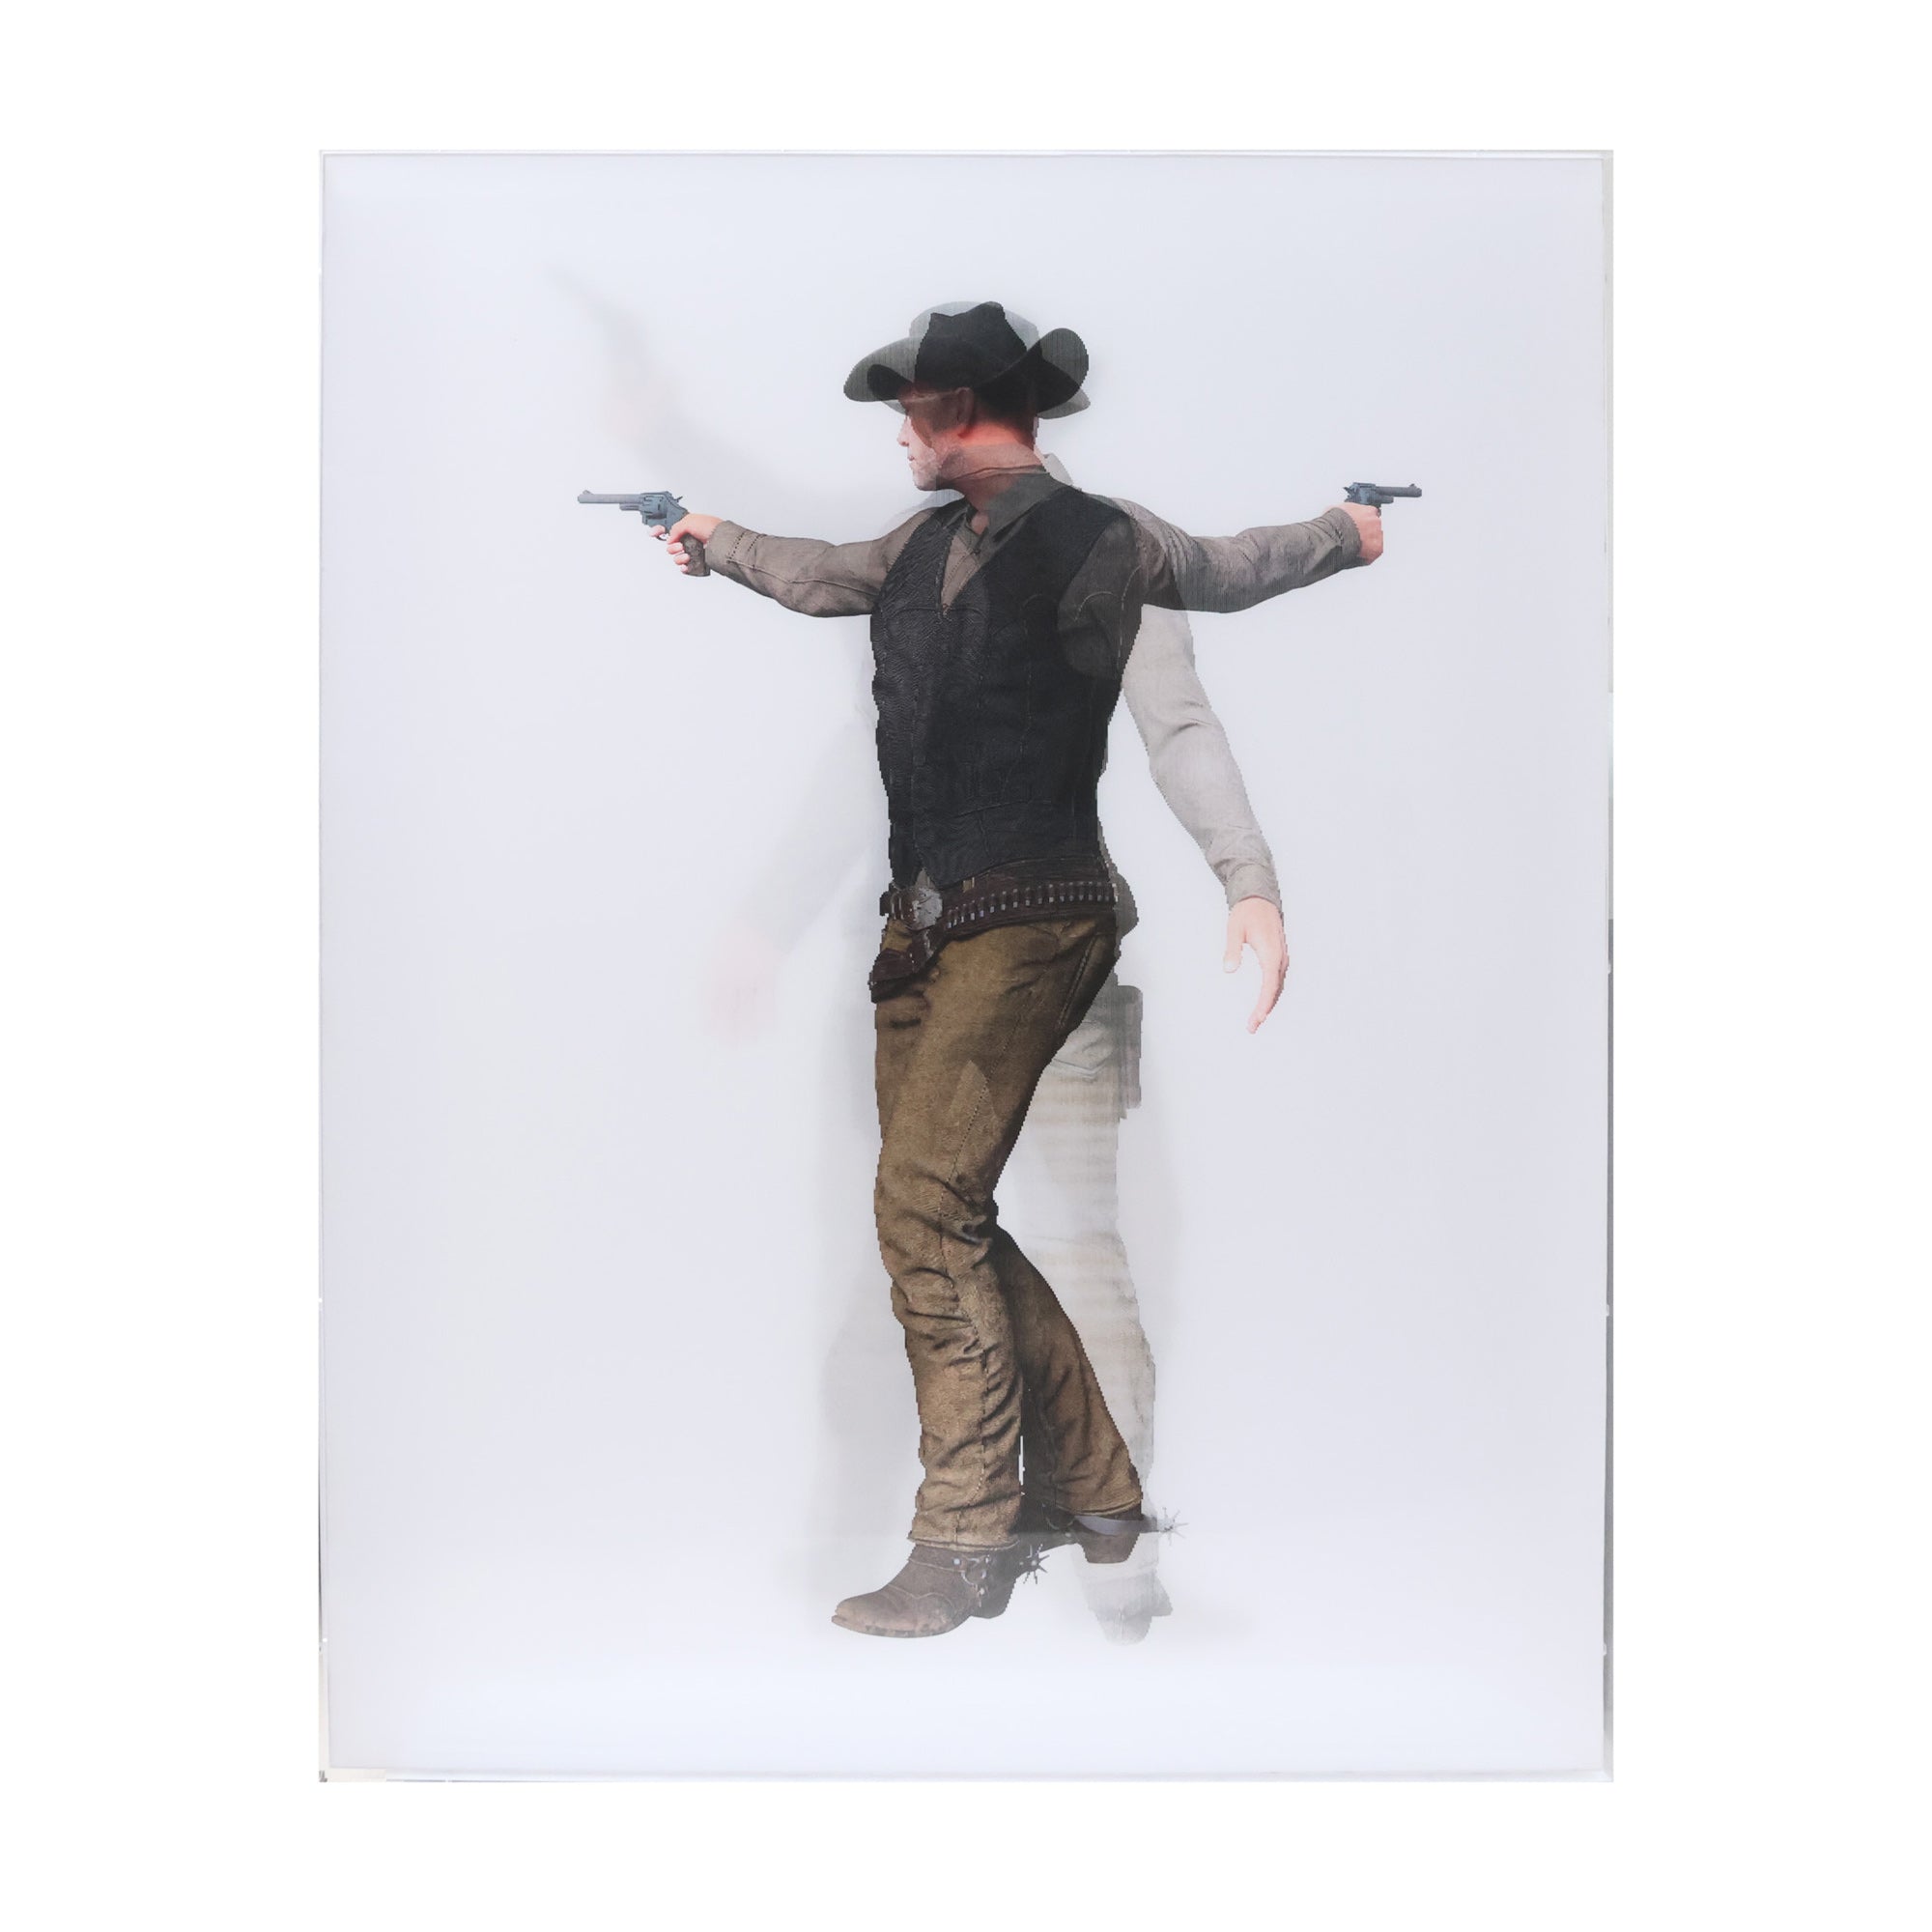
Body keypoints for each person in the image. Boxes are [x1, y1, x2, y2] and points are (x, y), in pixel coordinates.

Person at [659, 300, 1383, 1638]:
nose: (898, 432)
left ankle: (969, 1541)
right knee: (942, 1216)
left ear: (959, 410)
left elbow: (1229, 580)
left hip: (1039, 915)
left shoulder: (1102, 538)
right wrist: (717, 540)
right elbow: (821, 574)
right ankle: (1100, 1497)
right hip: (922, 929)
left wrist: (1347, 534)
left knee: (925, 1213)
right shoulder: (920, 542)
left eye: (910, 411)